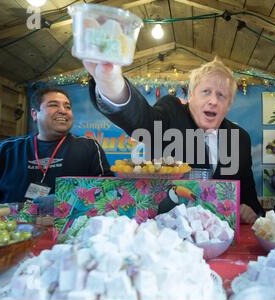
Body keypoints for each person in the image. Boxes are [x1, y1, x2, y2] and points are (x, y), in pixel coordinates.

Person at [83, 58, 264, 223]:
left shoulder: (239, 138)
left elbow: (248, 196)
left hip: (218, 237)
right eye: (206, 92)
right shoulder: (172, 112)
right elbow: (141, 121)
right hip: (166, 233)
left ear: (229, 105)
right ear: (191, 95)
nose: (213, 101)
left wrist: (249, 210)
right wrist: (111, 83)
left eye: (221, 95)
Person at [0, 87, 111, 205]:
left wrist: (64, 201)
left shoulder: (88, 147)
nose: (63, 111)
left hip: (69, 230)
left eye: (68, 106)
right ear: (35, 114)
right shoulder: (5, 150)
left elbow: (106, 191)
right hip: (12, 230)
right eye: (53, 105)